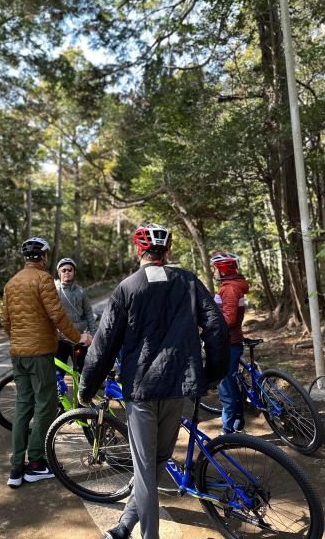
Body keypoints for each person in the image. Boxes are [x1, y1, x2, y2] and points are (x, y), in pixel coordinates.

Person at [78, 223, 230, 539]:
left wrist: (86, 388)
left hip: (142, 390)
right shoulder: (188, 281)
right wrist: (213, 374)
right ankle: (124, 527)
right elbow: (217, 327)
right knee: (158, 461)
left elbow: (103, 344)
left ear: (138, 251)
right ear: (167, 251)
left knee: (146, 470)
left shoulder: (127, 288)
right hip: (179, 388)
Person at [1, 237, 92, 489]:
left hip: (18, 354)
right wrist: (79, 337)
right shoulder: (43, 280)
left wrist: (19, 340)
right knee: (46, 406)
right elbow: (57, 316)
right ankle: (37, 464)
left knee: (23, 406)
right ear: (42, 257)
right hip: (40, 354)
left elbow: (5, 322)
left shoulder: (11, 283)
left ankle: (16, 467)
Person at [210, 251, 250, 434]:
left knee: (225, 387)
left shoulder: (229, 289)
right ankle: (237, 423)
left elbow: (229, 319)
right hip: (231, 341)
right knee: (231, 383)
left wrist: (209, 323)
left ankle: (228, 429)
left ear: (223, 270)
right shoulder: (229, 286)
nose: (213, 272)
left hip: (228, 342)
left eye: (215, 269)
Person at [55, 257, 98, 374]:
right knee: (58, 373)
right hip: (61, 339)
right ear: (59, 273)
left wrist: (93, 335)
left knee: (82, 372)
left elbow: (89, 312)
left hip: (80, 338)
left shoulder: (81, 291)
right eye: (63, 270)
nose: (67, 272)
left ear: (74, 273)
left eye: (70, 270)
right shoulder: (53, 291)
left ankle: (81, 392)